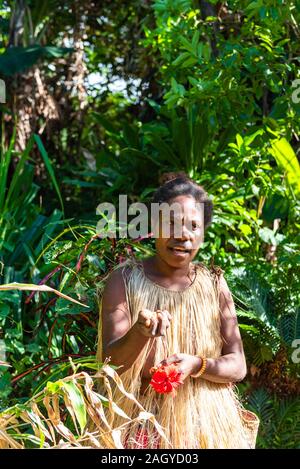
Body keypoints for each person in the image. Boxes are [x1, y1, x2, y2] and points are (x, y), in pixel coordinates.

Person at [96, 173, 259, 449]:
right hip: (139, 425)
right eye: (171, 223)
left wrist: (197, 365)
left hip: (203, 428)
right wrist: (139, 333)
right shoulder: (123, 281)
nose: (182, 235)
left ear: (203, 232)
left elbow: (238, 365)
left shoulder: (214, 285)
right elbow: (110, 364)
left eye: (193, 226)